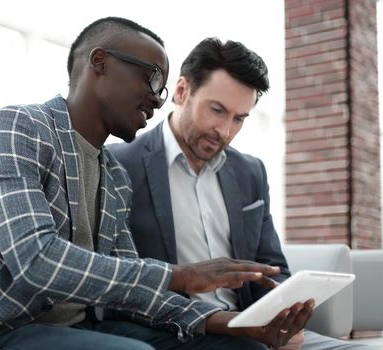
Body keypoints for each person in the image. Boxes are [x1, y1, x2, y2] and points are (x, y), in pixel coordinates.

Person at [0, 18, 314, 350]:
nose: (158, 100)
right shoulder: (16, 128)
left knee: (235, 346)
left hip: (80, 328)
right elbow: (36, 260)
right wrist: (181, 275)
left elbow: (134, 288)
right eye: (153, 79)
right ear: (100, 62)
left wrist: (230, 323)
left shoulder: (113, 176)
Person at [109, 38, 376, 349]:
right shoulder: (118, 164)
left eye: (238, 119)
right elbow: (118, 280)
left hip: (252, 329)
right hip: (171, 331)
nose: (224, 130)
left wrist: (283, 316)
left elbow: (272, 265)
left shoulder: (250, 172)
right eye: (217, 110)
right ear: (181, 91)